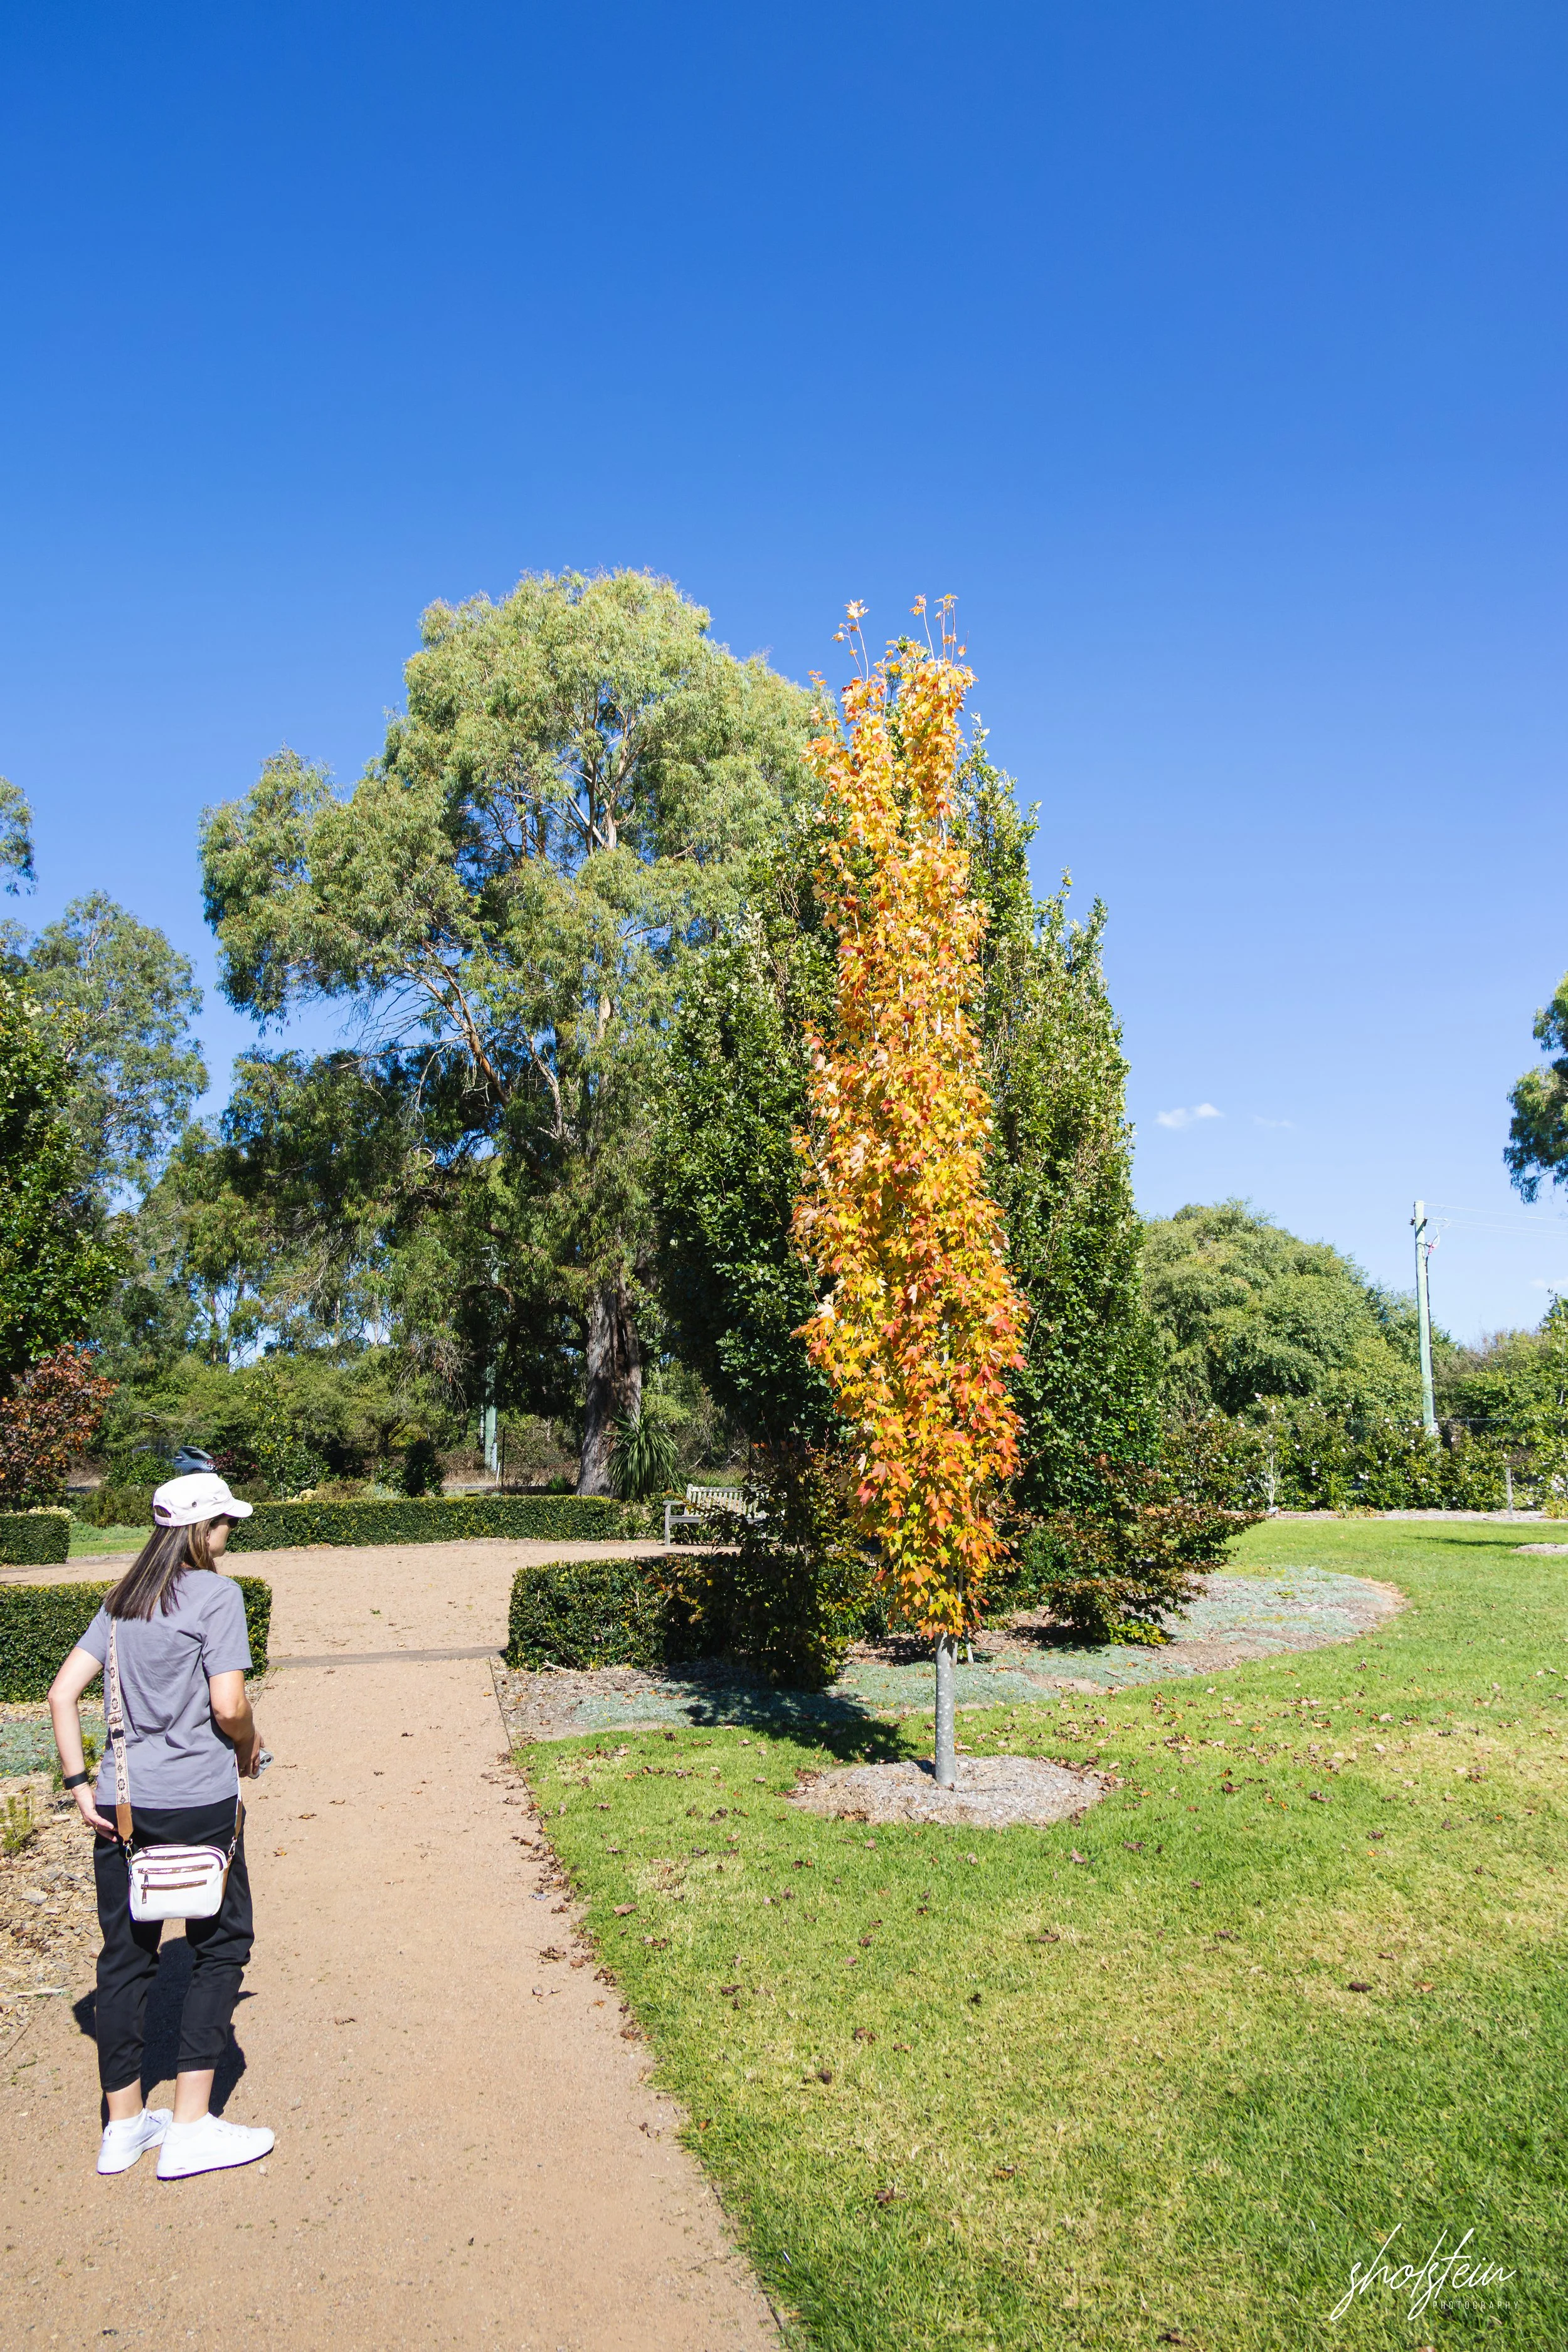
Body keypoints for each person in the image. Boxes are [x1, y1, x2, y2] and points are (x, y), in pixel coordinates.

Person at [48, 1471, 275, 2180]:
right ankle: (190, 2126)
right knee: (220, 1945)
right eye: (226, 1522)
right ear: (202, 1529)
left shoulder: (122, 1603)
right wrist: (250, 1744)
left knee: (125, 1957)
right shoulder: (217, 1596)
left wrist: (78, 1784)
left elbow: (61, 1693)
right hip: (199, 1800)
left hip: (122, 1804)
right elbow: (229, 1705)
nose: (230, 1532)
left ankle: (122, 2128)